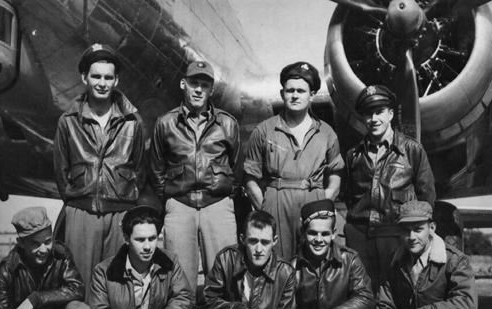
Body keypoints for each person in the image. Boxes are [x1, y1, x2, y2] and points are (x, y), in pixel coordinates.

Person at [53, 43, 146, 294]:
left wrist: (125, 198)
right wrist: (77, 199)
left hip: (120, 213)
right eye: (96, 77)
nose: (102, 83)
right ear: (84, 78)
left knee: (118, 288)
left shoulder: (133, 122)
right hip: (81, 213)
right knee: (79, 286)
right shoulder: (67, 121)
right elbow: (60, 170)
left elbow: (140, 169)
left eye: (108, 77)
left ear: (116, 80)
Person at [149, 60, 242, 293]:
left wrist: (224, 195)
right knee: (179, 279)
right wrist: (170, 200)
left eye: (204, 85)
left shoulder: (227, 123)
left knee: (225, 274)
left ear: (211, 90)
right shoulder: (165, 123)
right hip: (180, 205)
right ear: (183, 84)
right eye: (194, 83)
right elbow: (156, 168)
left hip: (217, 204)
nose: (199, 90)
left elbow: (236, 167)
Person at [244, 61, 344, 260]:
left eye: (301, 91)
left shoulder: (326, 133)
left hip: (315, 202)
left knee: (313, 263)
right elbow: (250, 177)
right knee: (277, 264)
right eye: (290, 90)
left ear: (312, 95)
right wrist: (264, 208)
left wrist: (325, 200)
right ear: (282, 94)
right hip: (276, 203)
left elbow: (335, 172)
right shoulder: (264, 130)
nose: (295, 95)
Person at [344, 85, 436, 291]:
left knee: (398, 294)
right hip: (360, 238)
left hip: (396, 236)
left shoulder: (412, 150)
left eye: (379, 112)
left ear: (391, 114)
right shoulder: (353, 155)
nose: (374, 119)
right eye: (368, 114)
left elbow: (426, 197)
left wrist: (415, 233)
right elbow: (350, 196)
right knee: (362, 294)